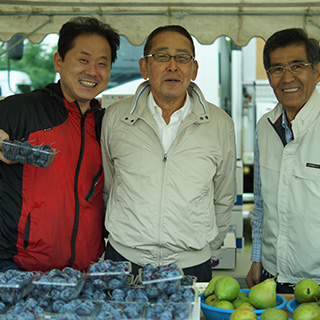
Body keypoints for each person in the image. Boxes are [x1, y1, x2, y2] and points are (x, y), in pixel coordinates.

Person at [101, 25, 236, 281]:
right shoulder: (115, 118)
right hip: (124, 260)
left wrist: (206, 245)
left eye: (182, 58)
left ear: (194, 69)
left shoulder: (220, 123)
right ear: (144, 67)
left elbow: (224, 194)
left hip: (192, 264)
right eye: (161, 57)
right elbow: (109, 186)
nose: (172, 66)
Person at [0, 16, 120, 272]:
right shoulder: (20, 110)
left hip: (82, 273)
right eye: (83, 60)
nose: (92, 71)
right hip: (15, 267)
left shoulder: (107, 125)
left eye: (103, 63)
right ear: (59, 61)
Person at [246, 28, 320, 293]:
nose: (287, 77)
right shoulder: (265, 126)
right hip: (271, 274)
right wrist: (256, 257)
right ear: (268, 77)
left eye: (297, 66)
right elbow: (261, 201)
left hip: (315, 282)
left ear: (317, 71)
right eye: (277, 69)